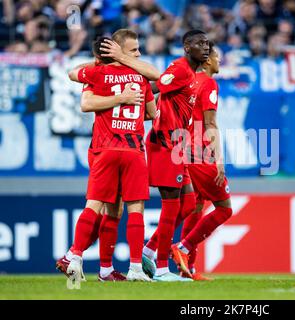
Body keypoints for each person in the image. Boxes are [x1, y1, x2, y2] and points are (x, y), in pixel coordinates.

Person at [56, 34, 158, 281]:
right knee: (131, 209)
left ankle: (81, 259)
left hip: (105, 148)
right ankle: (131, 267)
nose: (138, 54)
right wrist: (125, 105)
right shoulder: (141, 77)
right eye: (134, 50)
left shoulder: (97, 74)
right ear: (117, 50)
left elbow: (72, 74)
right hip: (132, 149)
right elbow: (152, 113)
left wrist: (102, 65)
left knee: (101, 205)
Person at [139, 30, 210, 282]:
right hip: (165, 144)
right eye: (200, 43)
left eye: (207, 43)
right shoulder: (179, 69)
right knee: (171, 206)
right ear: (186, 47)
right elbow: (152, 87)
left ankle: (148, 250)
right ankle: (160, 269)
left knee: (189, 204)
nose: (206, 47)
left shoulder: (190, 74)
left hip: (177, 145)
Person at [170, 43, 232, 281]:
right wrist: (219, 159)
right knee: (225, 209)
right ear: (207, 61)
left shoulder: (188, 82)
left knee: (194, 208)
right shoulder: (209, 83)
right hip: (201, 153)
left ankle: (188, 269)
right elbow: (210, 124)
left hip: (183, 150)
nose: (219, 61)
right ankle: (183, 248)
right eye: (217, 57)